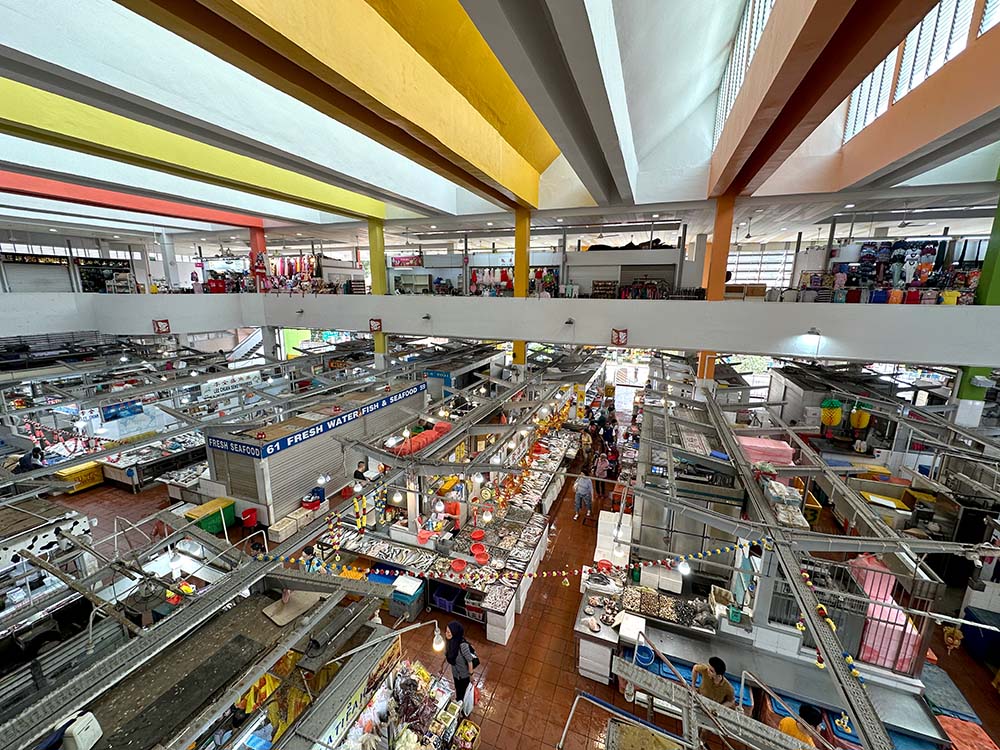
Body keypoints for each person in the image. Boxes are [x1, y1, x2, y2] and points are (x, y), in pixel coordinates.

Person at [444, 621, 476, 701]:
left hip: (464, 675)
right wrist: (442, 666)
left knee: (465, 693)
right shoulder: (449, 642)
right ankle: (459, 701)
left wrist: (471, 675)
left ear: (455, 633)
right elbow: (447, 654)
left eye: (449, 632)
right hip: (455, 673)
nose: (446, 634)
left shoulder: (463, 646)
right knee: (458, 690)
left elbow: (469, 660)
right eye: (446, 631)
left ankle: (464, 707)